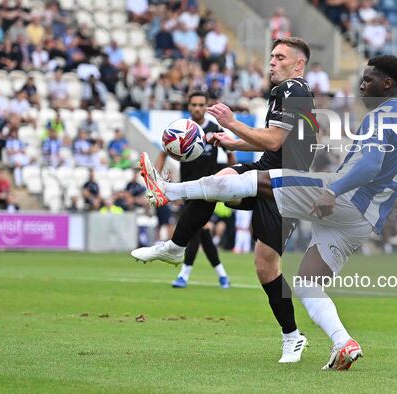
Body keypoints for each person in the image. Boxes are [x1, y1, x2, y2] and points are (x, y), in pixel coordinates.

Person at [138, 55, 397, 371]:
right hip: (365, 219)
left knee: (261, 181)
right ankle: (344, 343)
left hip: (345, 199)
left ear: (388, 83)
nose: (362, 86)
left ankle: (169, 191)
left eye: (368, 80)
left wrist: (333, 191)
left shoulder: (381, 116)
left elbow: (369, 163)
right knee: (308, 282)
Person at [132, 37, 316, 364]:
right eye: (271, 55)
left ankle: (293, 337)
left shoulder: (292, 91)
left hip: (284, 187)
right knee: (219, 180)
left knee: (265, 266)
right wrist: (234, 139)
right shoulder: (290, 92)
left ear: (298, 64)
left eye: (280, 57)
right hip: (268, 172)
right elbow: (277, 145)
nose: (272, 61)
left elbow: (276, 139)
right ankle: (175, 245)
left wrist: (233, 123)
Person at [155, 91, 235, 289]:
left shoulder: (215, 129)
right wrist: (156, 178)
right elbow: (163, 153)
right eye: (194, 105)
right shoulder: (182, 128)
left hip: (208, 190)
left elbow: (231, 154)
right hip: (186, 188)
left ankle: (184, 275)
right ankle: (222, 275)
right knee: (199, 232)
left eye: (201, 104)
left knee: (198, 230)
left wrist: (233, 175)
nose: (197, 108)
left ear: (206, 106)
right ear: (188, 106)